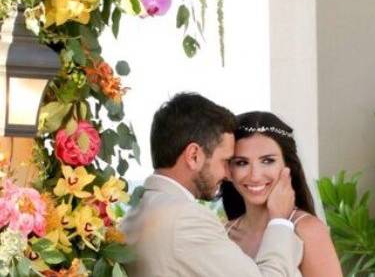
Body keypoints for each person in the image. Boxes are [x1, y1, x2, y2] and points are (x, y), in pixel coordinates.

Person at [120, 93, 303, 277]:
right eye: (225, 161)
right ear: (194, 156)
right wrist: (279, 221)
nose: (228, 175)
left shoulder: (133, 215)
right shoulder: (186, 219)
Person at [222, 112, 343, 277]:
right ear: (228, 170)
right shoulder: (223, 234)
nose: (255, 175)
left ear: (288, 165)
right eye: (242, 163)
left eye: (267, 161)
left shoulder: (308, 231)